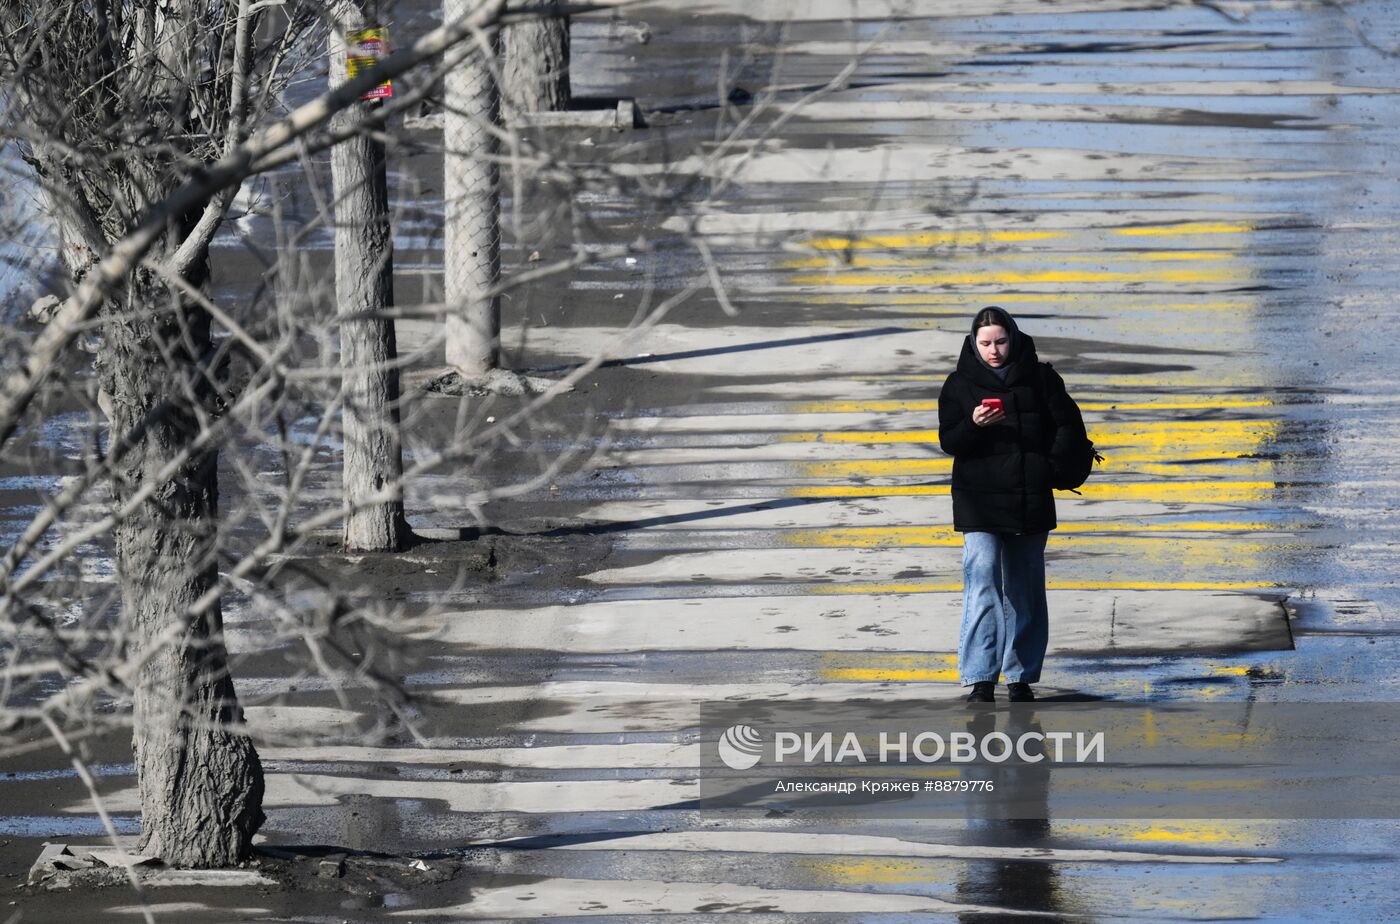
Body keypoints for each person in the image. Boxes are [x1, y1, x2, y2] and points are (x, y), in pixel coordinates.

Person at [937, 306, 1085, 703]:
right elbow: (949, 441)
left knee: (1024, 590)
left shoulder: (1042, 378)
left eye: (1000, 341)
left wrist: (1046, 468)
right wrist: (973, 425)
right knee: (982, 578)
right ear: (973, 343)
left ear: (1013, 338)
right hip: (978, 500)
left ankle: (1020, 676)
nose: (994, 350)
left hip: (1028, 496)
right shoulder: (958, 384)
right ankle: (980, 677)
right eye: (985, 343)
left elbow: (1068, 426)